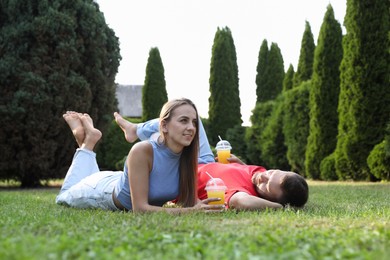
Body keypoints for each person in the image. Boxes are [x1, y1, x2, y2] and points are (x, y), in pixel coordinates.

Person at [56, 98, 225, 213]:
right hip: (100, 192)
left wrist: (208, 206)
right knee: (62, 197)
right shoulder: (143, 151)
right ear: (164, 126)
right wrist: (189, 212)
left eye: (194, 122)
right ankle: (87, 144)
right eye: (183, 121)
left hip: (124, 178)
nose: (191, 127)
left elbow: (191, 202)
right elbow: (140, 209)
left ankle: (87, 142)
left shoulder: (187, 156)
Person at [118, 115, 309, 210]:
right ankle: (135, 130)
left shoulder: (241, 192)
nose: (263, 177)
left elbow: (241, 202)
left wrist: (280, 207)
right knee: (192, 116)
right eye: (271, 173)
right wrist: (239, 164)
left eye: (266, 186)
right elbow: (260, 174)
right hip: (204, 159)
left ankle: (140, 133)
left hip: (184, 170)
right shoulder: (259, 172)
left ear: (267, 198)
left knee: (166, 135)